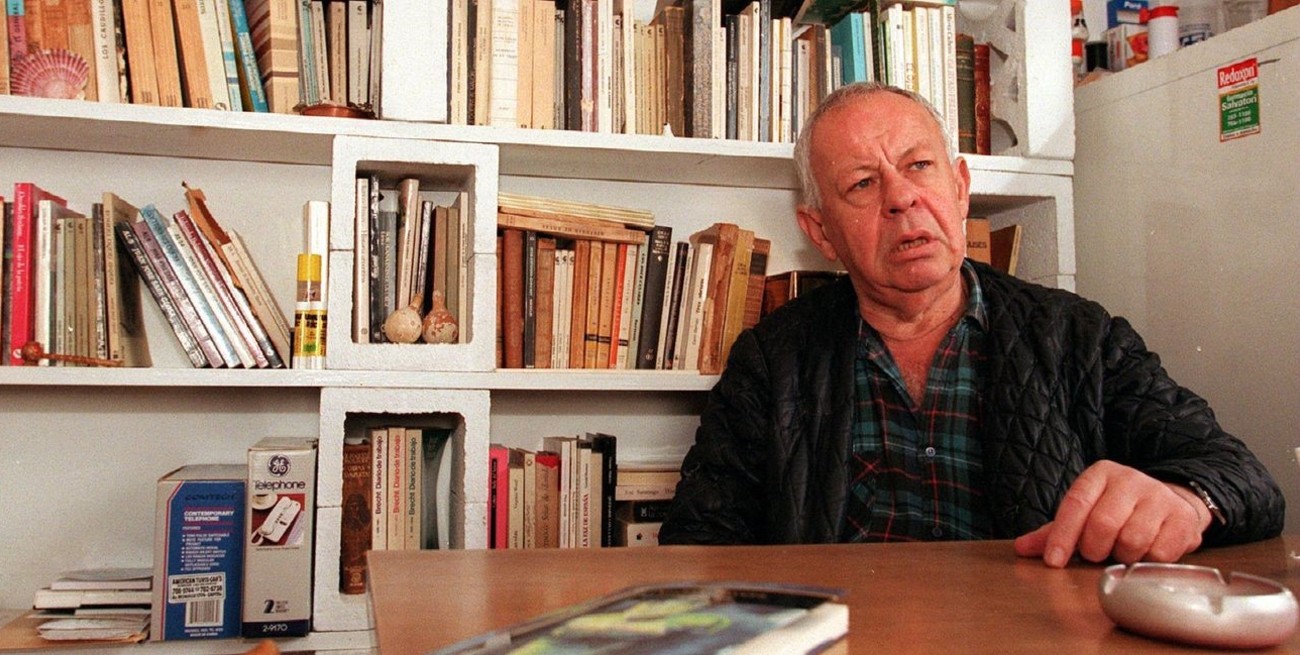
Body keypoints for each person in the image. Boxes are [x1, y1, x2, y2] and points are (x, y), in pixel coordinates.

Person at [658, 82, 1284, 567]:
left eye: (919, 166)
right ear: (820, 232)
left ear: (960, 188)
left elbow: (1241, 476)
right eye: (863, 183)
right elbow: (699, 541)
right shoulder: (771, 361)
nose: (901, 198)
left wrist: (1185, 501)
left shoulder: (1078, 337)